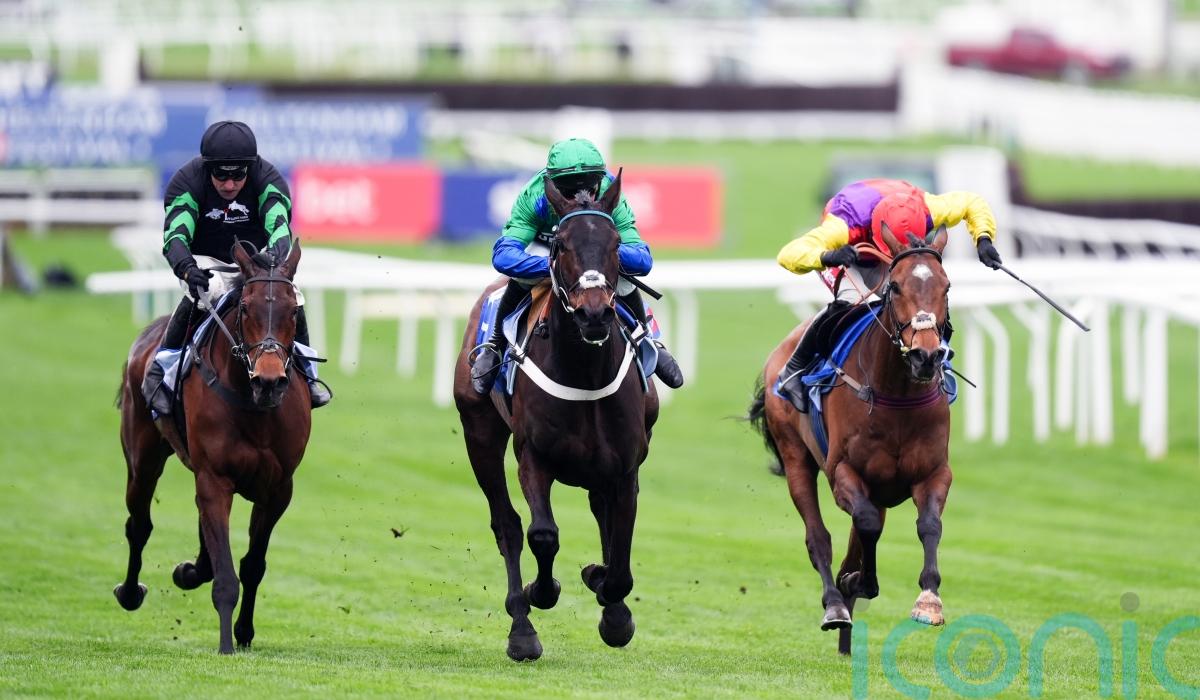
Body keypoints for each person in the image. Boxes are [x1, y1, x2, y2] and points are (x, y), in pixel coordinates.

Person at [141, 120, 331, 415]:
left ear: (249, 168)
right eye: (220, 175)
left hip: (256, 259)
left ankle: (307, 373)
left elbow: (280, 228)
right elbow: (175, 237)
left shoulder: (268, 180)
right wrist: (188, 269)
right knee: (208, 290)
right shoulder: (187, 182)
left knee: (292, 294)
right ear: (207, 168)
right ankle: (161, 367)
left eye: (238, 175)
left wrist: (273, 263)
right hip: (204, 258)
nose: (229, 185)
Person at [469, 137, 685, 395]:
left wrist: (601, 253)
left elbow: (642, 259)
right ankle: (495, 345)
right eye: (568, 191)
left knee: (624, 279)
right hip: (549, 249)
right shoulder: (535, 195)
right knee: (523, 278)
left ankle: (647, 340)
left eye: (588, 187)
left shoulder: (611, 193)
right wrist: (555, 264)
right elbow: (504, 255)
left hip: (593, 253)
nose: (580, 197)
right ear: (553, 186)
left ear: (599, 182)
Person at [774, 178, 1003, 411]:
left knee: (920, 293)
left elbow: (973, 203)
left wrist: (983, 239)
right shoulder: (844, 224)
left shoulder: (928, 208)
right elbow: (788, 254)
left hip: (900, 254)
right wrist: (827, 256)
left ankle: (936, 355)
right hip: (847, 254)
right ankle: (794, 368)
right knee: (851, 300)